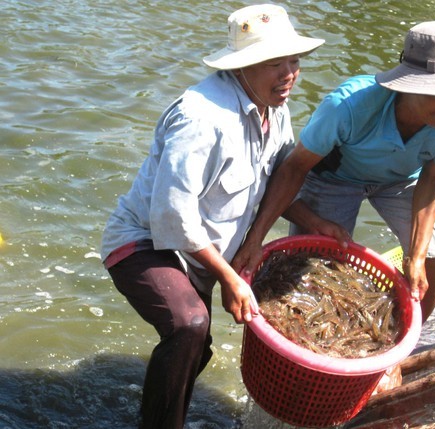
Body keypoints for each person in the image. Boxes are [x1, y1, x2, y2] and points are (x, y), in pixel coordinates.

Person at [100, 5, 323, 428]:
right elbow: (171, 216)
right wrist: (229, 275)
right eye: (275, 63)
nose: (289, 73)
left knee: (195, 349)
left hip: (197, 252)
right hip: (142, 241)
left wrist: (314, 223)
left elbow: (273, 182)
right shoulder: (202, 118)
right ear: (243, 68)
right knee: (190, 324)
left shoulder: (275, 108)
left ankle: (154, 415)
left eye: (293, 61)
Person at [233, 20, 435, 324]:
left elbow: (434, 179)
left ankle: (401, 344)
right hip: (336, 178)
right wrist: (256, 238)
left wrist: (417, 254)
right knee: (317, 265)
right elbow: (293, 168)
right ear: (408, 86)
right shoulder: (348, 106)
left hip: (402, 181)